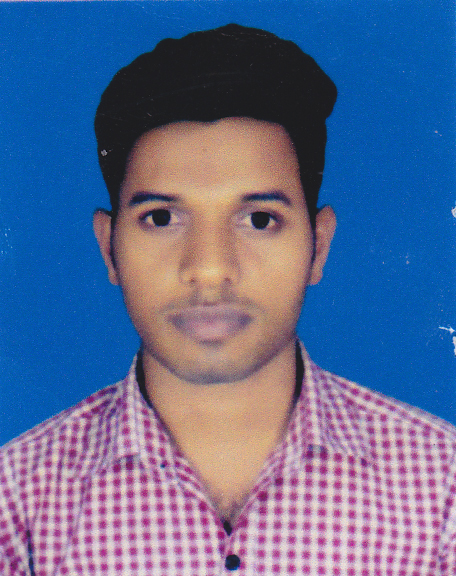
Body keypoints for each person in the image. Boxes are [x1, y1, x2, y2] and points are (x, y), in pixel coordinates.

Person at [0, 23, 455, 576]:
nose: (210, 269)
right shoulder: (16, 502)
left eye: (259, 219)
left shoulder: (442, 490)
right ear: (108, 248)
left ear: (318, 246)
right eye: (161, 218)